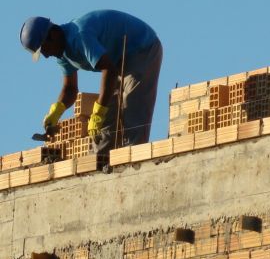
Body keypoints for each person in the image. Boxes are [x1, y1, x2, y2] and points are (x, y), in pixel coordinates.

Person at [20, 10, 163, 168]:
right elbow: (70, 89)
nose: (46, 55)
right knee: (107, 117)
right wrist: (56, 111)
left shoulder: (80, 36)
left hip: (141, 48)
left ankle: (134, 165)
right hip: (117, 60)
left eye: (44, 49)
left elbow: (108, 70)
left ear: (52, 35)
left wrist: (99, 110)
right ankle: (99, 166)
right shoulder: (62, 53)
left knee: (131, 105)